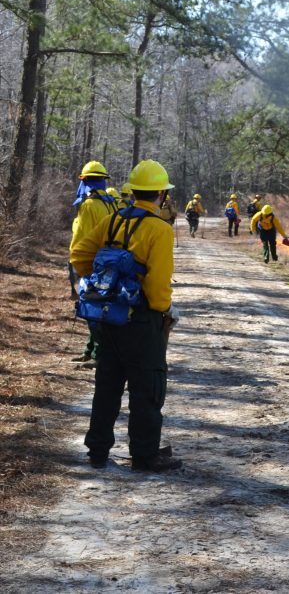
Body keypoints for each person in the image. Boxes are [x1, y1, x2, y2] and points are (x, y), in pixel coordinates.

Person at [69, 159, 182, 473]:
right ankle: (145, 457)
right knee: (147, 389)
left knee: (107, 386)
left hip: (109, 318)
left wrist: (101, 286)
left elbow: (79, 254)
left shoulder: (113, 220)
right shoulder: (159, 229)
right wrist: (161, 313)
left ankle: (97, 452)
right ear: (161, 193)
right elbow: (159, 284)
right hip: (142, 321)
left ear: (133, 191)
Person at [69, 161, 118, 367]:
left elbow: (81, 239)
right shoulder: (111, 202)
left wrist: (76, 265)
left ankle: (100, 355)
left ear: (85, 181)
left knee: (92, 309)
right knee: (99, 307)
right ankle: (90, 350)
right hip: (110, 261)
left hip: (91, 263)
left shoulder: (89, 205)